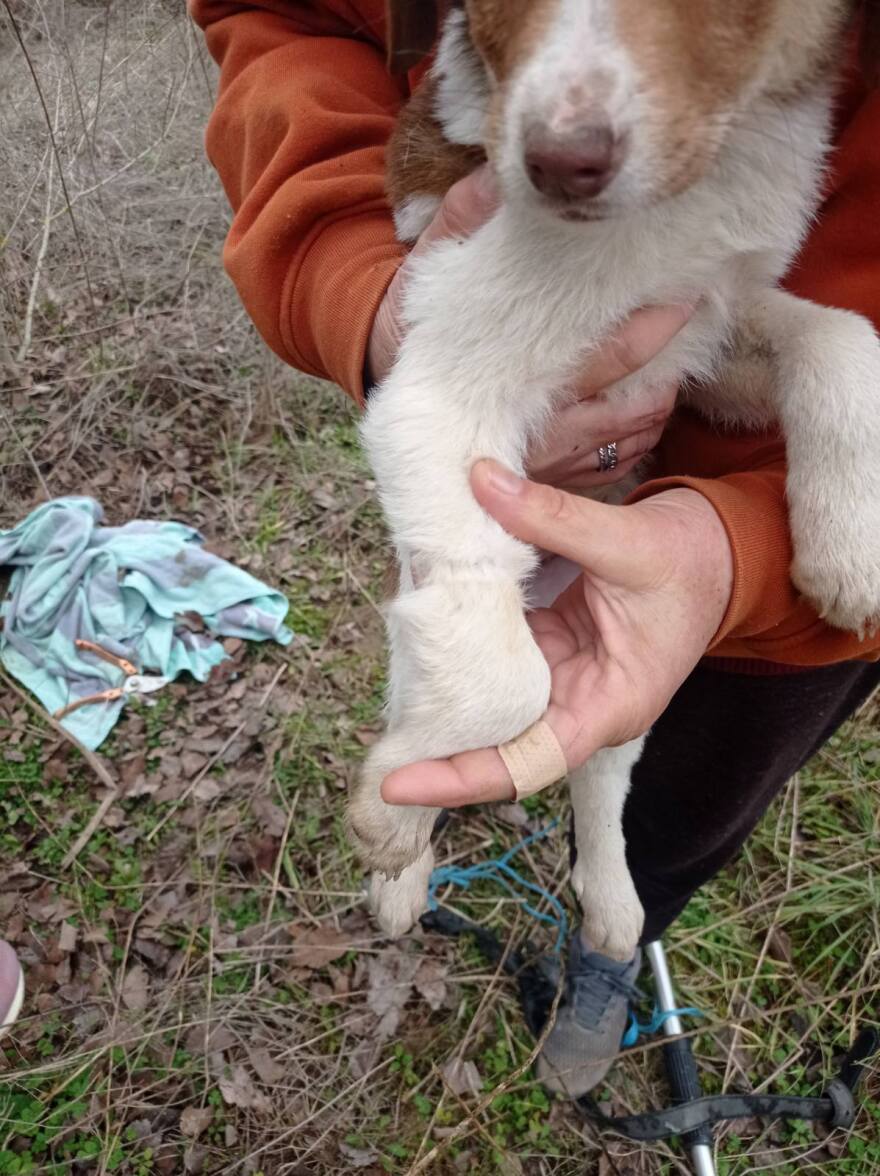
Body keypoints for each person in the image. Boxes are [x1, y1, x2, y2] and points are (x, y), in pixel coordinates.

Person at [191, 0, 880, 1095]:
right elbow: (440, 405)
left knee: (667, 779)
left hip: (760, 598)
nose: (567, 118)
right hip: (518, 429)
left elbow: (727, 329)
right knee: (477, 635)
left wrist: (753, 523)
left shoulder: (756, 141)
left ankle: (612, 906)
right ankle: (414, 808)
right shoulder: (539, 147)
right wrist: (359, 287)